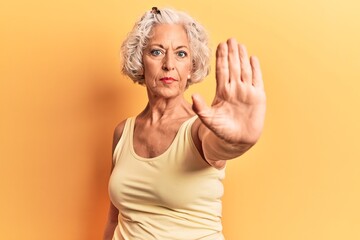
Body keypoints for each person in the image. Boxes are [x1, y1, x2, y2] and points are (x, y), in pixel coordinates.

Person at [104, 7, 266, 240]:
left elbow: (219, 147)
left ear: (191, 67)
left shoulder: (200, 129)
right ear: (141, 61)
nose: (169, 64)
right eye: (157, 52)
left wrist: (240, 141)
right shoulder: (123, 131)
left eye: (181, 54)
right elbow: (113, 219)